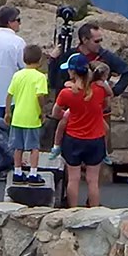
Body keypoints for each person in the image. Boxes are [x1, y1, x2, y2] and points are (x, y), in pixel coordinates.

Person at [52, 53, 109, 208]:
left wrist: (67, 114)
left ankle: (73, 210)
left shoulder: (67, 93)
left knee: (74, 178)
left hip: (74, 138)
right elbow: (104, 105)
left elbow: (55, 113)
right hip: (95, 138)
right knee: (93, 180)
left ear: (71, 72)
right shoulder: (98, 90)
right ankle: (95, 211)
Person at [48, 22, 128, 95]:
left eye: (100, 40)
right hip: (73, 104)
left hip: (96, 106)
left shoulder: (105, 56)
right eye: (96, 41)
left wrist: (114, 91)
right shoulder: (71, 56)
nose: (99, 44)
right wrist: (53, 60)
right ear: (85, 40)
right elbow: (55, 81)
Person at [5, 44, 50, 184]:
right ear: (40, 60)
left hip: (17, 116)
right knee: (34, 147)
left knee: (18, 147)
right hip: (32, 117)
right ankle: (33, 173)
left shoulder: (17, 75)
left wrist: (7, 112)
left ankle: (17, 172)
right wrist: (42, 111)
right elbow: (40, 96)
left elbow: (9, 95)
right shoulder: (40, 77)